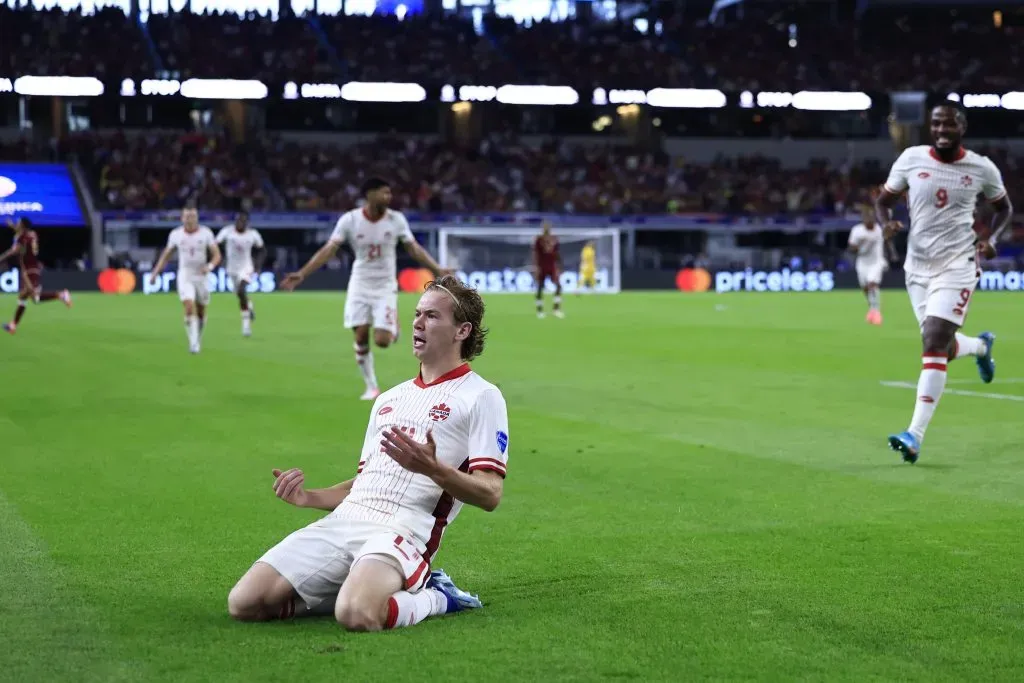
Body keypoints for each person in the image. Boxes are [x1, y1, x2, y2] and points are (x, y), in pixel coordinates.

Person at [227, 274, 509, 631]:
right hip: (344, 522)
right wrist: (308, 497)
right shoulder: (388, 400)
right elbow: (364, 483)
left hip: (402, 532)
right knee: (246, 603)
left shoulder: (481, 397)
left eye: (432, 316)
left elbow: (490, 494)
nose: (417, 323)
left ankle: (438, 596)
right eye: (417, 314)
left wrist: (434, 470)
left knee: (357, 614)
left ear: (462, 331)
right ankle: (360, 586)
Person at [875, 103, 1013, 463]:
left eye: (949, 123)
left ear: (961, 127)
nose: (941, 129)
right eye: (936, 123)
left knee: (933, 340)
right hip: (917, 267)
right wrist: (885, 222)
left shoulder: (981, 167)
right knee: (943, 346)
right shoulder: (911, 158)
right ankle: (981, 348)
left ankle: (914, 435)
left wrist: (992, 239)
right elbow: (883, 200)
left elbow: (1004, 208)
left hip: (958, 265)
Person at [282, 178, 448, 400]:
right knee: (360, 334)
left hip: (385, 285)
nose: (388, 198)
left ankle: (392, 322)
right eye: (384, 193)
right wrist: (302, 273)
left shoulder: (396, 220)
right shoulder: (350, 220)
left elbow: (413, 248)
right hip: (360, 283)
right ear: (369, 194)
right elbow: (329, 250)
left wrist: (437, 269)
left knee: (382, 341)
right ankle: (371, 386)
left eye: (389, 193)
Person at [149, 207, 222, 354]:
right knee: (189, 306)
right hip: (185, 274)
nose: (190, 219)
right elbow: (166, 255)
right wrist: (155, 273)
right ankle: (193, 343)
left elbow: (217, 255)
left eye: (193, 216)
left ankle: (197, 337)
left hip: (202, 275)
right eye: (187, 216)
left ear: (197, 218)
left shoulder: (206, 233)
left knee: (201, 310)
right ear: (182, 218)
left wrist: (210, 266)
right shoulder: (176, 235)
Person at [0, 217, 72, 334]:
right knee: (23, 297)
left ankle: (61, 295)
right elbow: (23, 235)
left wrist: (1, 258)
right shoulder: (32, 234)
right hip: (32, 268)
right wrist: (13, 227)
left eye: (18, 223)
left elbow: (13, 251)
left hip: (29, 270)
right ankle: (13, 325)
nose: (16, 224)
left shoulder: (21, 238)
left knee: (35, 297)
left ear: (22, 226)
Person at [216, 211, 265, 338]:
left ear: (247, 223)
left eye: (243, 221)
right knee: (240, 295)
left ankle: (246, 325)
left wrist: (258, 266)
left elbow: (261, 250)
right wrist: (220, 259)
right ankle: (249, 306)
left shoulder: (253, 234)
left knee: (242, 291)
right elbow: (215, 245)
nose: (240, 223)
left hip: (247, 267)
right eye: (238, 221)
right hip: (231, 269)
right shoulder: (227, 232)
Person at [846, 204, 897, 325]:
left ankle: (877, 312)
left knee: (872, 283)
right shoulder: (857, 231)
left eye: (872, 219)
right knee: (865, 288)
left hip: (876, 262)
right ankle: (872, 308)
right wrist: (858, 246)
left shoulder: (879, 230)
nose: (870, 221)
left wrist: (893, 254)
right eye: (867, 219)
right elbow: (851, 248)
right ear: (864, 220)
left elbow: (888, 241)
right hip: (862, 262)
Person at [534, 221, 563, 318]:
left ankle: (556, 309)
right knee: (540, 287)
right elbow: (536, 254)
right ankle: (539, 310)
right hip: (542, 266)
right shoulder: (539, 240)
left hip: (551, 266)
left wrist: (558, 266)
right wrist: (536, 267)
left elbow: (557, 254)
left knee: (558, 286)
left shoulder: (554, 239)